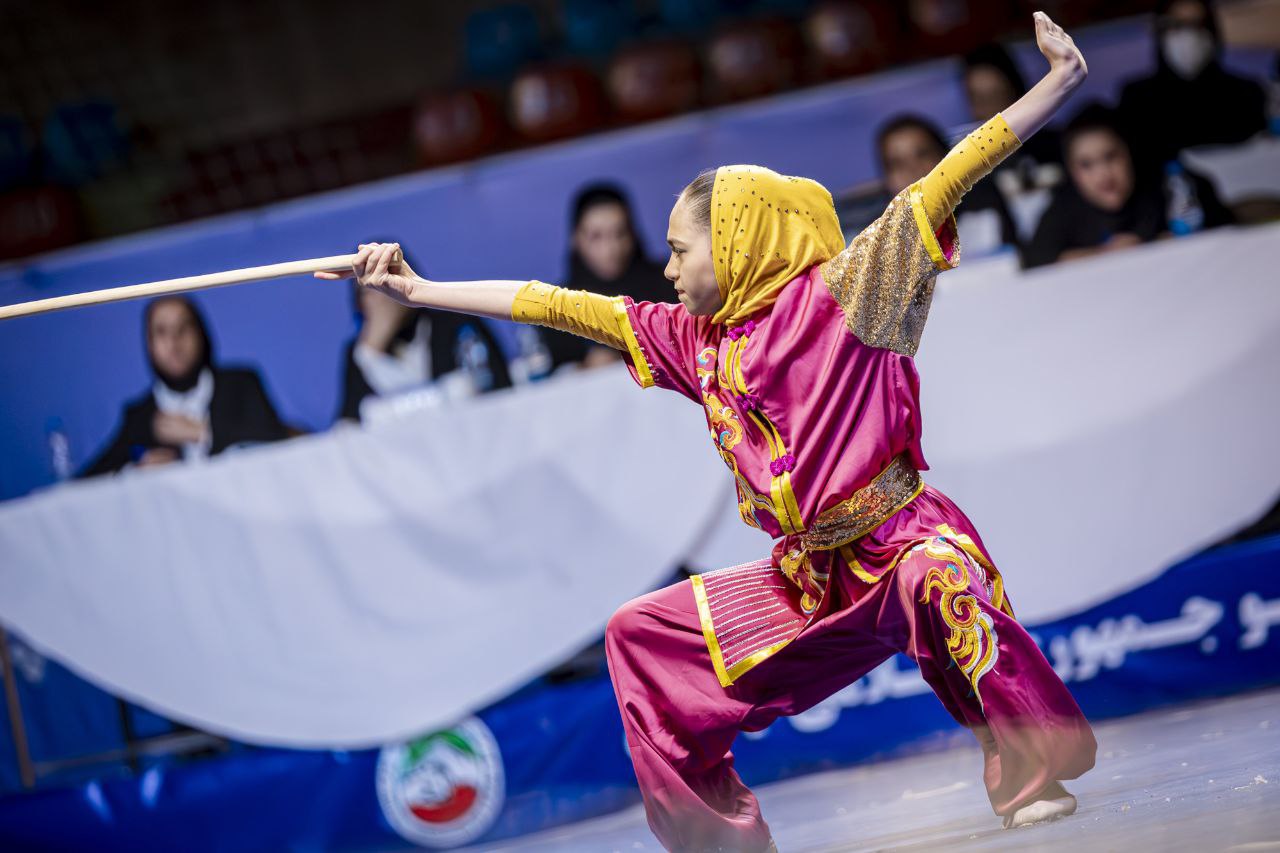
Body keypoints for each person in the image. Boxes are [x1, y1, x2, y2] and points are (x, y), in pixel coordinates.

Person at [321, 13, 1096, 850]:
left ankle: (1027, 766)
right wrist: (418, 291)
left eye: (679, 249)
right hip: (805, 579)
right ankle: (719, 838)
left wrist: (1059, 82)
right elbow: (554, 304)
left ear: (734, 242)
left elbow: (945, 180)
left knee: (938, 578)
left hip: (903, 540)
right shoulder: (694, 341)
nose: (666, 268)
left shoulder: (848, 291)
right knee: (637, 635)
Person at [82, 296, 289, 476]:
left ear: (201, 334)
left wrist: (203, 432)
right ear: (149, 344)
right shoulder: (140, 416)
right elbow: (88, 482)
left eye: (183, 328)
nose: (174, 342)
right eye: (161, 332)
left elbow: (278, 442)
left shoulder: (241, 384)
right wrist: (137, 470)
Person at [1023, 103, 1233, 269]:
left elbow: (1225, 233)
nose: (1103, 174)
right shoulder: (1064, 206)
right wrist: (1105, 254)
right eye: (1086, 164)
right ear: (1071, 170)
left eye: (1111, 156)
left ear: (1129, 152)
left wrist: (1150, 246)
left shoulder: (1173, 185)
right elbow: (1036, 262)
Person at [536, 183, 673, 372]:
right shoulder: (555, 309)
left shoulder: (673, 283)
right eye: (596, 236)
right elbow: (544, 379)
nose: (611, 249)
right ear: (576, 238)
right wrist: (583, 369)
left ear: (633, 233)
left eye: (620, 233)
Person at [337, 280, 512, 422]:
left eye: (386, 285)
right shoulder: (359, 353)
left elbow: (495, 388)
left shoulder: (456, 322)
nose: (382, 298)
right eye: (368, 291)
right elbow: (350, 425)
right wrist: (370, 352)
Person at [1118, 0, 1267, 165]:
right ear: (1160, 33)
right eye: (1177, 25)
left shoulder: (1247, 94)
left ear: (1213, 31)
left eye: (1198, 24)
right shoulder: (1137, 99)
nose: (1188, 34)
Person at [877, 114, 1017, 256]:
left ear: (946, 158)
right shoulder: (881, 248)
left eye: (923, 155)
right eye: (897, 164)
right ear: (887, 181)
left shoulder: (987, 217)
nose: (913, 170)